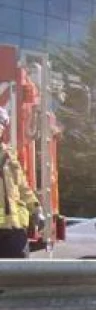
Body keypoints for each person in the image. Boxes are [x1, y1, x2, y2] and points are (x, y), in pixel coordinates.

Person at [0, 107, 43, 259]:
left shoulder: (8, 155)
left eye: (1, 123)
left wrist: (36, 208)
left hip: (14, 230)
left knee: (17, 276)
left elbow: (23, 187)